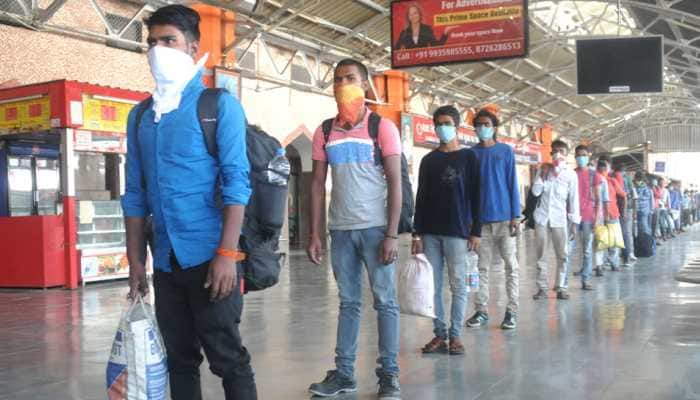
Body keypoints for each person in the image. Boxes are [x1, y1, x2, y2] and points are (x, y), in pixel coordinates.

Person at [122, 5, 257, 399]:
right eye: (151, 43)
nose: (157, 50)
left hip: (212, 257)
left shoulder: (218, 106)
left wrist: (227, 254)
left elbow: (237, 184)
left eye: (169, 41)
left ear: (192, 46)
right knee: (178, 360)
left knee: (228, 357)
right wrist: (135, 263)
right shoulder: (141, 116)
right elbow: (135, 194)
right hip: (165, 261)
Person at [306, 59, 403, 399]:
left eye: (350, 78)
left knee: (386, 302)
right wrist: (315, 233)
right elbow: (317, 184)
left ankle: (389, 375)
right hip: (341, 231)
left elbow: (395, 182)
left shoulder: (382, 127)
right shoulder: (325, 131)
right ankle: (344, 374)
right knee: (349, 303)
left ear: (365, 85)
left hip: (376, 231)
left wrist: (392, 234)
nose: (343, 83)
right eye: (337, 79)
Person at [412, 105, 481, 355]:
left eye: (447, 122)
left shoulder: (469, 158)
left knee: (458, 284)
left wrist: (477, 231)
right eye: (438, 123)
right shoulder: (429, 160)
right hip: (430, 231)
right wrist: (416, 233)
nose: (442, 127)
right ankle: (439, 334)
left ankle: (456, 335)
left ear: (457, 126)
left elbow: (477, 195)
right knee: (433, 285)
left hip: (458, 231)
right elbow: (421, 197)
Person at [466, 108, 521, 329]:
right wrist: (470, 222)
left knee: (511, 266)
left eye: (486, 124)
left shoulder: (505, 151)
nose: (482, 128)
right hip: (480, 224)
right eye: (478, 124)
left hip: (506, 221)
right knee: (480, 268)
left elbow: (512, 184)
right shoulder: (470, 154)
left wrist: (516, 215)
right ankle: (480, 311)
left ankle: (512, 311)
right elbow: (467, 191)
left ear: (494, 127)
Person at [531, 140, 580, 300]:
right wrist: (542, 176)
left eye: (561, 151)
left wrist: (574, 224)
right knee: (541, 255)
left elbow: (574, 200)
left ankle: (561, 287)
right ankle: (542, 288)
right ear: (551, 153)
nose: (558, 154)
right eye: (555, 151)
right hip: (542, 219)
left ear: (566, 155)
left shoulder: (570, 175)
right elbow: (536, 192)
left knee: (563, 255)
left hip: (560, 219)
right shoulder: (544, 170)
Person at [570, 145, 603, 290]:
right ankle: (562, 284)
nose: (581, 158)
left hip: (589, 217)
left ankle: (586, 279)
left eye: (584, 155)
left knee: (587, 250)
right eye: (578, 155)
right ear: (575, 157)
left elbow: (598, 198)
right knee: (568, 249)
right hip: (573, 217)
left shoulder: (593, 175)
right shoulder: (571, 174)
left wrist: (597, 218)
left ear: (588, 156)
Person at [594, 156, 624, 276]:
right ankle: (600, 265)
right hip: (599, 215)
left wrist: (623, 211)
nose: (603, 169)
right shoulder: (595, 180)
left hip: (612, 213)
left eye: (605, 167)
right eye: (601, 167)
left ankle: (613, 262)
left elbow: (623, 195)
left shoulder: (612, 181)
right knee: (601, 240)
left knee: (613, 240)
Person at [612, 161, 636, 266]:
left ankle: (620, 257)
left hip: (618, 208)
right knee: (626, 233)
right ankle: (627, 256)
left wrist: (623, 210)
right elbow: (632, 195)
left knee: (618, 233)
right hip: (625, 208)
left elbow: (623, 195)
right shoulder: (628, 180)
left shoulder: (615, 177)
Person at [634, 171, 654, 238]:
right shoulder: (634, 186)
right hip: (637, 210)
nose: (637, 181)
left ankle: (649, 242)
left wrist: (651, 209)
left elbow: (649, 198)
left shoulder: (646, 188)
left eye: (638, 179)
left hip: (644, 210)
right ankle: (642, 242)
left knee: (644, 227)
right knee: (639, 227)